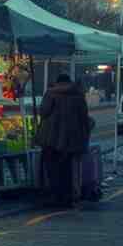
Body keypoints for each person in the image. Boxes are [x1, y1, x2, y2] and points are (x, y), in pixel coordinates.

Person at [36, 73, 92, 207]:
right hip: (71, 140)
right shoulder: (78, 94)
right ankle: (67, 197)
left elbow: (43, 112)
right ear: (69, 82)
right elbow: (84, 117)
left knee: (52, 169)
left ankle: (55, 196)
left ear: (57, 82)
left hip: (51, 139)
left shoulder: (51, 93)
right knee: (67, 169)